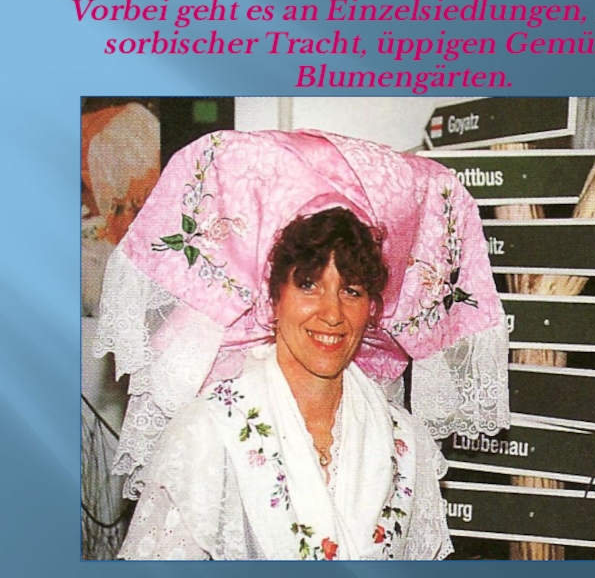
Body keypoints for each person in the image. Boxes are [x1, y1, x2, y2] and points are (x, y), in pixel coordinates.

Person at [93, 129, 510, 560]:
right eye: (308, 285)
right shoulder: (208, 434)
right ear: (273, 297)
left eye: (351, 290)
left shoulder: (405, 444)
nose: (332, 313)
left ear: (372, 307)